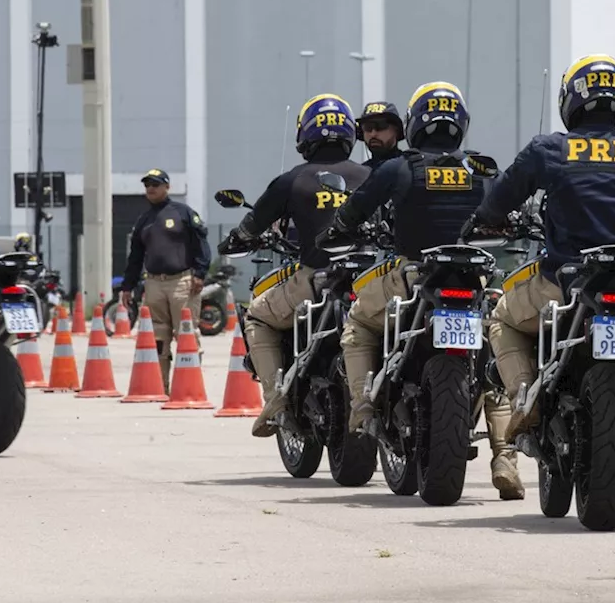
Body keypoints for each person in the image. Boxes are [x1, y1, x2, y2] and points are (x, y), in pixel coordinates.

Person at [467, 56, 615, 441]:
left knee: (502, 318)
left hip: (563, 284)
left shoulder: (550, 149)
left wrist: (485, 219)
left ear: (570, 100)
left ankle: (525, 397)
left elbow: (498, 200)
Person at [317, 83, 512, 494]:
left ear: (413, 123)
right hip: (471, 277)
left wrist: (335, 231)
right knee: (492, 359)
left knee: (355, 324)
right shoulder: (482, 167)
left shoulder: (398, 168)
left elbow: (354, 211)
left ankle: (363, 406)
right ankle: (504, 454)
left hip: (411, 273)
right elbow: (504, 215)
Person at [218, 94, 370, 437]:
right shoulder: (371, 176)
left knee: (256, 315)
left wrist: (237, 239)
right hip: (366, 280)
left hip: (315, 279)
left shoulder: (292, 180)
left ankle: (275, 401)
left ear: (306, 134)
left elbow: (252, 225)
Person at [120, 169, 212, 391]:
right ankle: (161, 386)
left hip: (182, 282)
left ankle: (189, 387)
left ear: (167, 187)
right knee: (157, 337)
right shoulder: (144, 220)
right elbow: (135, 257)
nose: (151, 188)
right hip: (154, 284)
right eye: (147, 185)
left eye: (156, 184)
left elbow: (201, 245)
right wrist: (127, 286)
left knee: (186, 334)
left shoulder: (183, 213)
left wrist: (199, 273)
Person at [357, 101, 405, 167]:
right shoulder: (359, 174)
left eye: (381, 126)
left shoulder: (410, 168)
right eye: (368, 127)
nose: (373, 134)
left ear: (396, 130)